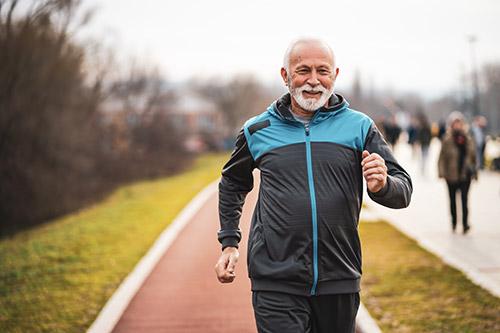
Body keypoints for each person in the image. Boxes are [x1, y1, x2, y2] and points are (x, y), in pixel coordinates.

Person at [214, 38, 412, 333]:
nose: (313, 80)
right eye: (303, 70)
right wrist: (229, 242)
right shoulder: (257, 130)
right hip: (275, 279)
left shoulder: (359, 127)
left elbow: (403, 190)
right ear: (285, 76)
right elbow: (232, 182)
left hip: (339, 277)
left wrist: (382, 185)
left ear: (335, 75)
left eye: (323, 71)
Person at [438, 111, 477, 234]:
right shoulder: (447, 140)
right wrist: (441, 173)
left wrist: (475, 172)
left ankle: (465, 224)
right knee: (453, 200)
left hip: (465, 175)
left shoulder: (468, 139)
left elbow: (473, 157)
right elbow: (442, 158)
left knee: (465, 200)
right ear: (451, 125)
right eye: (455, 123)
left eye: (459, 123)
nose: (457, 126)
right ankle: (454, 222)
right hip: (451, 175)